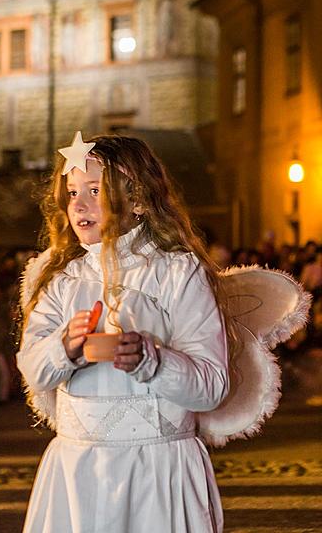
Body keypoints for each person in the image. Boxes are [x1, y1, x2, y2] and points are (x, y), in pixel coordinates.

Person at [16, 132, 236, 533]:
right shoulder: (61, 280)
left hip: (158, 468)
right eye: (71, 192)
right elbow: (32, 370)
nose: (77, 204)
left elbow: (211, 386)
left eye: (95, 190)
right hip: (77, 470)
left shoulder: (177, 273)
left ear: (137, 200)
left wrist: (152, 361)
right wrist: (63, 348)